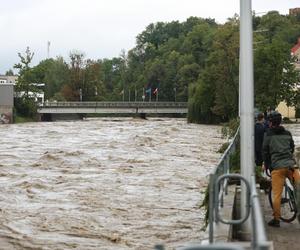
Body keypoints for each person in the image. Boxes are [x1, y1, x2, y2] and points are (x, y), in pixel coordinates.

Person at [262, 111, 300, 227]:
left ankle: (276, 219)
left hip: (277, 167)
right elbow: (292, 147)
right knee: (298, 189)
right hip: (291, 167)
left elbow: (265, 152)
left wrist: (267, 166)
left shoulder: (268, 135)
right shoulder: (287, 133)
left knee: (277, 195)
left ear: (270, 123)